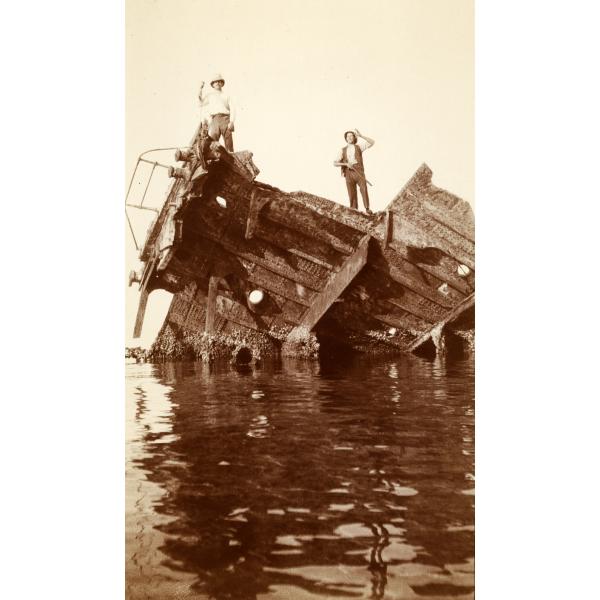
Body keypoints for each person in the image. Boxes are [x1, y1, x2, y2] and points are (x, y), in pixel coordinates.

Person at [333, 129, 375, 213]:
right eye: (348, 136)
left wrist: (361, 136)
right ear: (346, 138)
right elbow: (335, 163)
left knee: (363, 188)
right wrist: (345, 165)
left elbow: (372, 142)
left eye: (351, 136)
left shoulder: (359, 147)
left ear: (354, 137)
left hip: (359, 171)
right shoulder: (342, 150)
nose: (349, 137)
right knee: (351, 192)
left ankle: (367, 209)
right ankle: (354, 210)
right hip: (348, 173)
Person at [199, 73, 236, 152]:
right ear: (213, 84)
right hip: (214, 119)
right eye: (215, 82)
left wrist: (232, 121)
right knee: (212, 140)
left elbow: (233, 108)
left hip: (225, 119)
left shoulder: (226, 95)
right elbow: (200, 102)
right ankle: (212, 160)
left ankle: (231, 160)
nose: (217, 83)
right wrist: (200, 89)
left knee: (228, 141)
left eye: (219, 82)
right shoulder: (210, 96)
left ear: (222, 83)